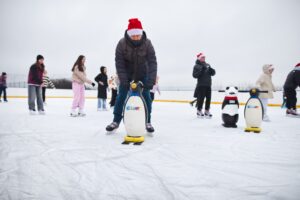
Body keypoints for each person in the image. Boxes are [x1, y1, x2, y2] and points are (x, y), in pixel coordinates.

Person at [106, 18, 157, 133]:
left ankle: (147, 121)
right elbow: (119, 64)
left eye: (137, 35)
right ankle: (116, 121)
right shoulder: (122, 43)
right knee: (121, 96)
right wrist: (124, 80)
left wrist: (150, 80)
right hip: (126, 75)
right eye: (133, 35)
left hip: (143, 74)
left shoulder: (147, 43)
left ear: (141, 33)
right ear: (129, 34)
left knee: (147, 97)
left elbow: (152, 62)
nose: (136, 37)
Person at [192, 53, 216, 118]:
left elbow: (213, 73)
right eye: (202, 57)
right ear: (199, 58)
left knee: (208, 98)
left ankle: (207, 110)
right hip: (201, 85)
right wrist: (201, 70)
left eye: (204, 57)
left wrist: (212, 71)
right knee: (201, 99)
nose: (204, 58)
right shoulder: (196, 66)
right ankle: (199, 110)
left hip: (208, 84)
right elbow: (194, 75)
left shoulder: (207, 65)